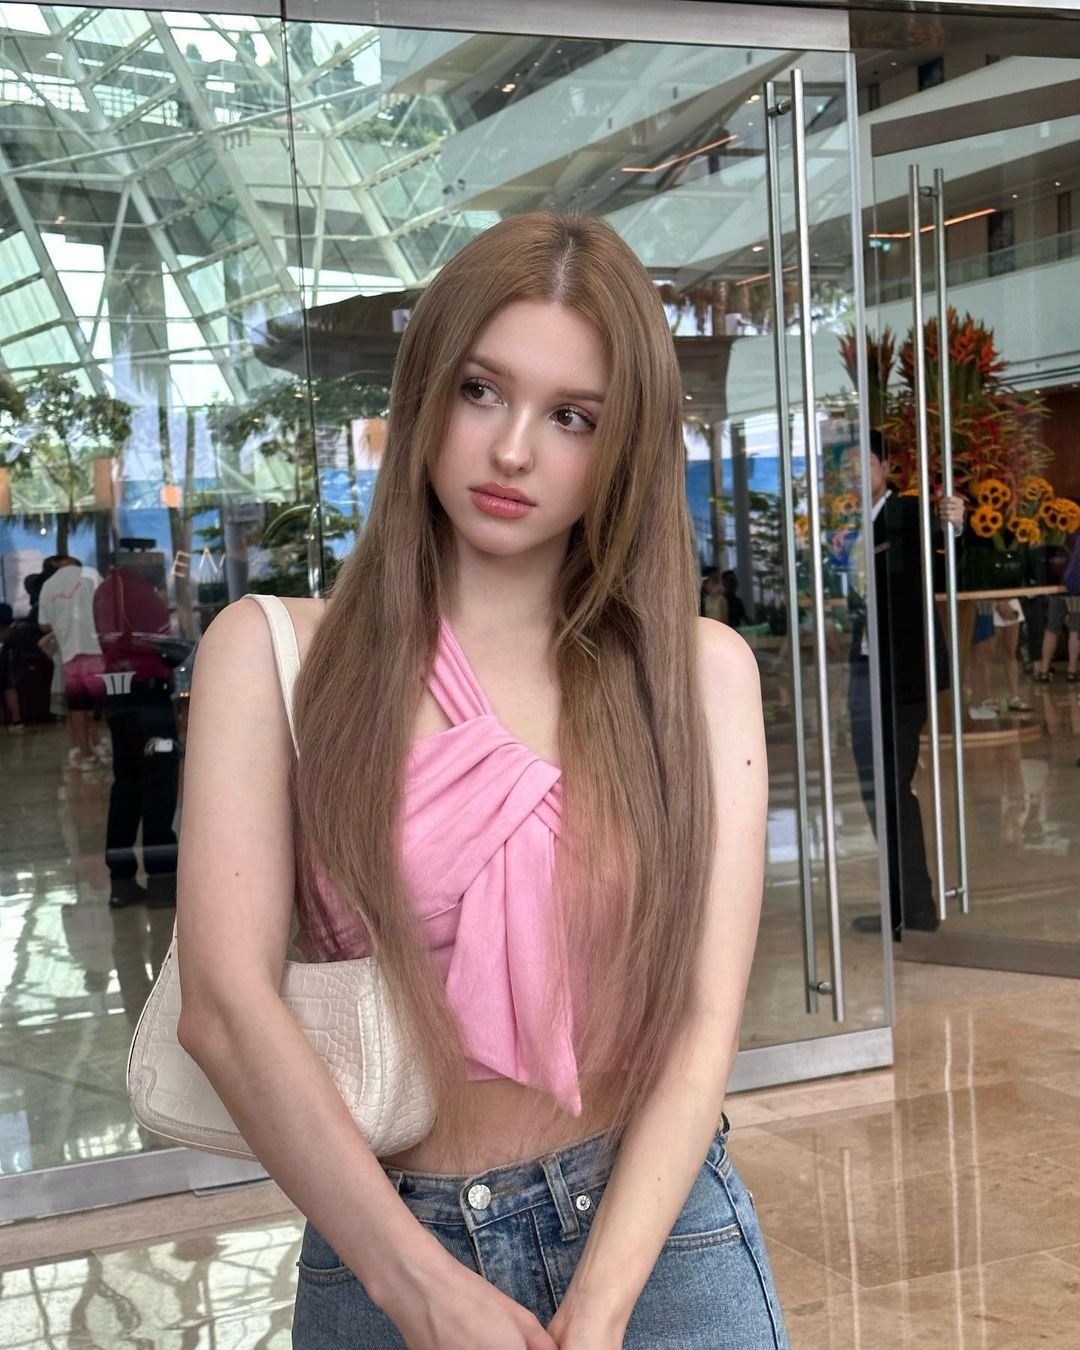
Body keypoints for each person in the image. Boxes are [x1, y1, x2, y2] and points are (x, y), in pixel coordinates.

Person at [175, 213, 786, 1349]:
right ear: (425, 394)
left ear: (622, 446)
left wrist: (598, 1312)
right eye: (481, 391)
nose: (512, 451)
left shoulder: (696, 674)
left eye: (571, 417)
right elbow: (222, 1008)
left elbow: (705, 1021)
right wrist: (418, 1286)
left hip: (659, 1249)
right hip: (381, 1248)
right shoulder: (273, 655)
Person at [846, 432, 965, 938]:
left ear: (884, 466)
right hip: (864, 670)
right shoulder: (852, 525)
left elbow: (946, 553)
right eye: (847, 467)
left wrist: (955, 526)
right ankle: (899, 904)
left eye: (863, 462)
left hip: (903, 674)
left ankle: (916, 908)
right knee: (874, 790)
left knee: (893, 787)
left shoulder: (906, 513)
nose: (854, 474)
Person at [94, 564, 181, 910]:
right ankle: (161, 883)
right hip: (148, 697)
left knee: (126, 789)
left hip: (118, 697)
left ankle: (122, 883)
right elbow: (160, 641)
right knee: (158, 788)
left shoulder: (104, 591)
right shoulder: (139, 591)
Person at [36, 555, 110, 770]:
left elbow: (43, 625)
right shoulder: (89, 574)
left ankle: (86, 755)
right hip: (96, 649)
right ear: (62, 561)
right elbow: (108, 604)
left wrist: (63, 621)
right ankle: (104, 748)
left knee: (78, 707)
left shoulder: (47, 586)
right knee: (103, 706)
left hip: (69, 654)